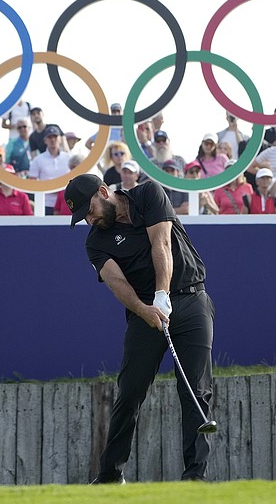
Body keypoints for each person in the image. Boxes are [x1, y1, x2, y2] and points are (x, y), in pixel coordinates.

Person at [64, 174, 215, 483]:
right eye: (82, 217)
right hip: (143, 313)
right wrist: (146, 309)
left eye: (89, 210)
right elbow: (116, 282)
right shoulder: (95, 242)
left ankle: (195, 477)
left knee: (195, 389)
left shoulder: (148, 194)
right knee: (130, 393)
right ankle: (110, 474)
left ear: (104, 192)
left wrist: (163, 294)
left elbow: (161, 243)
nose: (89, 220)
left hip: (190, 300)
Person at [28, 125, 70, 215]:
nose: (52, 140)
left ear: (59, 139)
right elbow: (32, 182)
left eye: (55, 136)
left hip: (66, 202)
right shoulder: (38, 160)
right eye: (49, 137)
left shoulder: (68, 158)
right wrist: (51, 189)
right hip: (46, 203)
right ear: (45, 140)